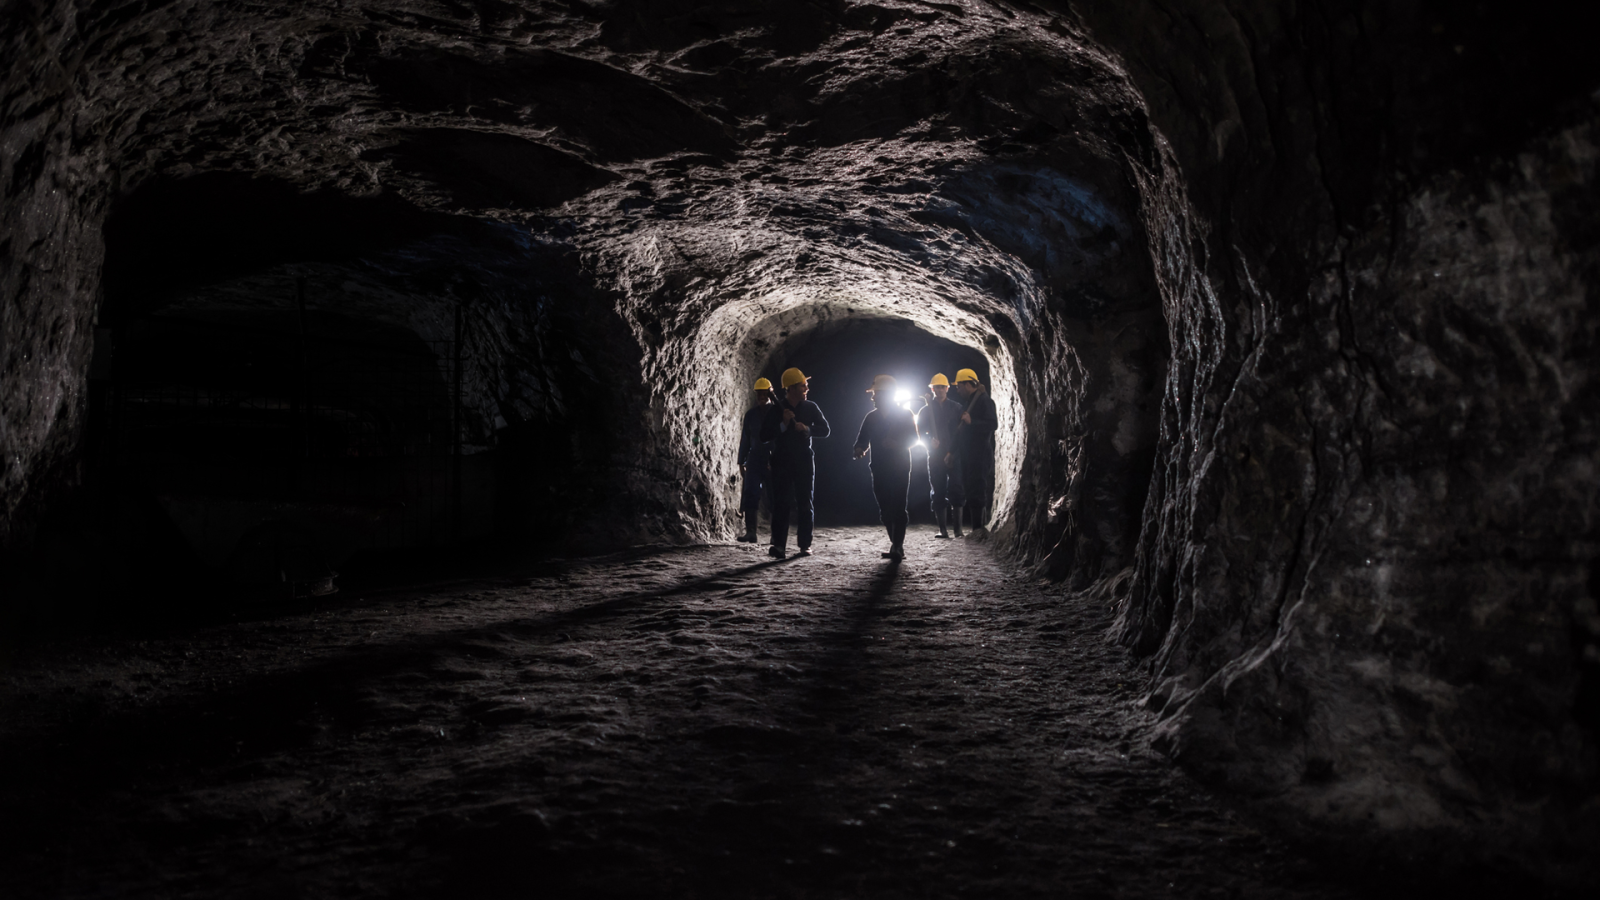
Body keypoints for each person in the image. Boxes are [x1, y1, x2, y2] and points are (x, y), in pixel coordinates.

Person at [760, 367, 830, 559]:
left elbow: (825, 429)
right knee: (781, 503)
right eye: (802, 386)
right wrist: (782, 424)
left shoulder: (811, 407)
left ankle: (805, 545)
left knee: (805, 502)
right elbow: (764, 435)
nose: (806, 388)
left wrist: (807, 429)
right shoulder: (777, 409)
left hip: (804, 460)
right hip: (781, 460)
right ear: (790, 389)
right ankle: (779, 545)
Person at [853, 374, 919, 560]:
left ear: (886, 395)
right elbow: (862, 439)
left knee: (898, 506)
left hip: (900, 467)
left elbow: (915, 439)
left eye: (876, 393)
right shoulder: (871, 418)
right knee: (884, 507)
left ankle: (898, 546)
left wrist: (897, 444)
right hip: (879, 467)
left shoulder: (905, 415)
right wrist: (859, 448)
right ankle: (895, 544)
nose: (873, 397)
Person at [918, 373, 966, 538]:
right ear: (932, 389)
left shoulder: (956, 407)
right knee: (938, 489)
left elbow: (961, 432)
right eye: (936, 387)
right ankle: (943, 530)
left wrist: (952, 451)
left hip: (953, 453)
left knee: (957, 488)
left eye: (941, 387)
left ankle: (958, 530)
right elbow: (920, 432)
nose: (939, 390)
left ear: (947, 388)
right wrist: (928, 441)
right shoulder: (926, 410)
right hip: (935, 454)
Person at [950, 367, 997, 534]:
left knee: (977, 488)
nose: (957, 389)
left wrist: (972, 422)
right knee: (970, 488)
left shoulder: (984, 401)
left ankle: (979, 528)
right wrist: (952, 452)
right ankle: (976, 528)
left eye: (959, 386)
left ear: (968, 384)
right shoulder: (969, 403)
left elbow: (993, 424)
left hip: (980, 453)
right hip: (968, 454)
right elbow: (960, 431)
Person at [735, 377, 775, 543]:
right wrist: (741, 461)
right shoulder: (750, 415)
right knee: (750, 493)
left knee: (774, 496)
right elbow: (745, 438)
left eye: (765, 394)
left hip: (773, 459)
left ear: (770, 394)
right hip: (754, 458)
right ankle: (751, 531)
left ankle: (776, 534)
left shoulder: (776, 413)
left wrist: (777, 459)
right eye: (759, 394)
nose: (761, 398)